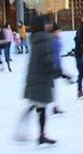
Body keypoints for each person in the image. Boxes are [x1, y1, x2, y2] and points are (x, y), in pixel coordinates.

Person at [15, 15, 58, 146]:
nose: (48, 25)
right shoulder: (44, 39)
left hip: (36, 77)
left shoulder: (35, 38)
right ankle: (37, 134)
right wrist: (59, 72)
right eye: (46, 23)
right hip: (41, 78)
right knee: (40, 106)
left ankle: (39, 134)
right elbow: (47, 60)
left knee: (39, 107)